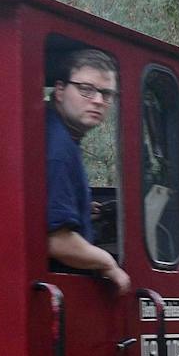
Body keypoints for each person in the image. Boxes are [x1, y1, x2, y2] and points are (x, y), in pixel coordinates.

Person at [46, 48, 131, 294]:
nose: (97, 100)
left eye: (106, 94)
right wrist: (109, 264)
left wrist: (82, 210)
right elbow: (57, 241)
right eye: (86, 89)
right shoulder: (58, 148)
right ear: (60, 90)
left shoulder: (56, 133)